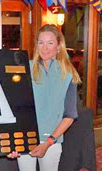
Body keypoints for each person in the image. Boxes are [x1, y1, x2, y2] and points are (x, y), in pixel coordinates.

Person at [8, 24, 81, 171]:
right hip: (25, 139)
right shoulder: (24, 70)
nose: (45, 48)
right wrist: (12, 141)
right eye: (41, 42)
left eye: (50, 43)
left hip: (51, 141)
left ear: (59, 46)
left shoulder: (68, 74)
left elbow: (70, 115)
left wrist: (48, 142)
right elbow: (15, 108)